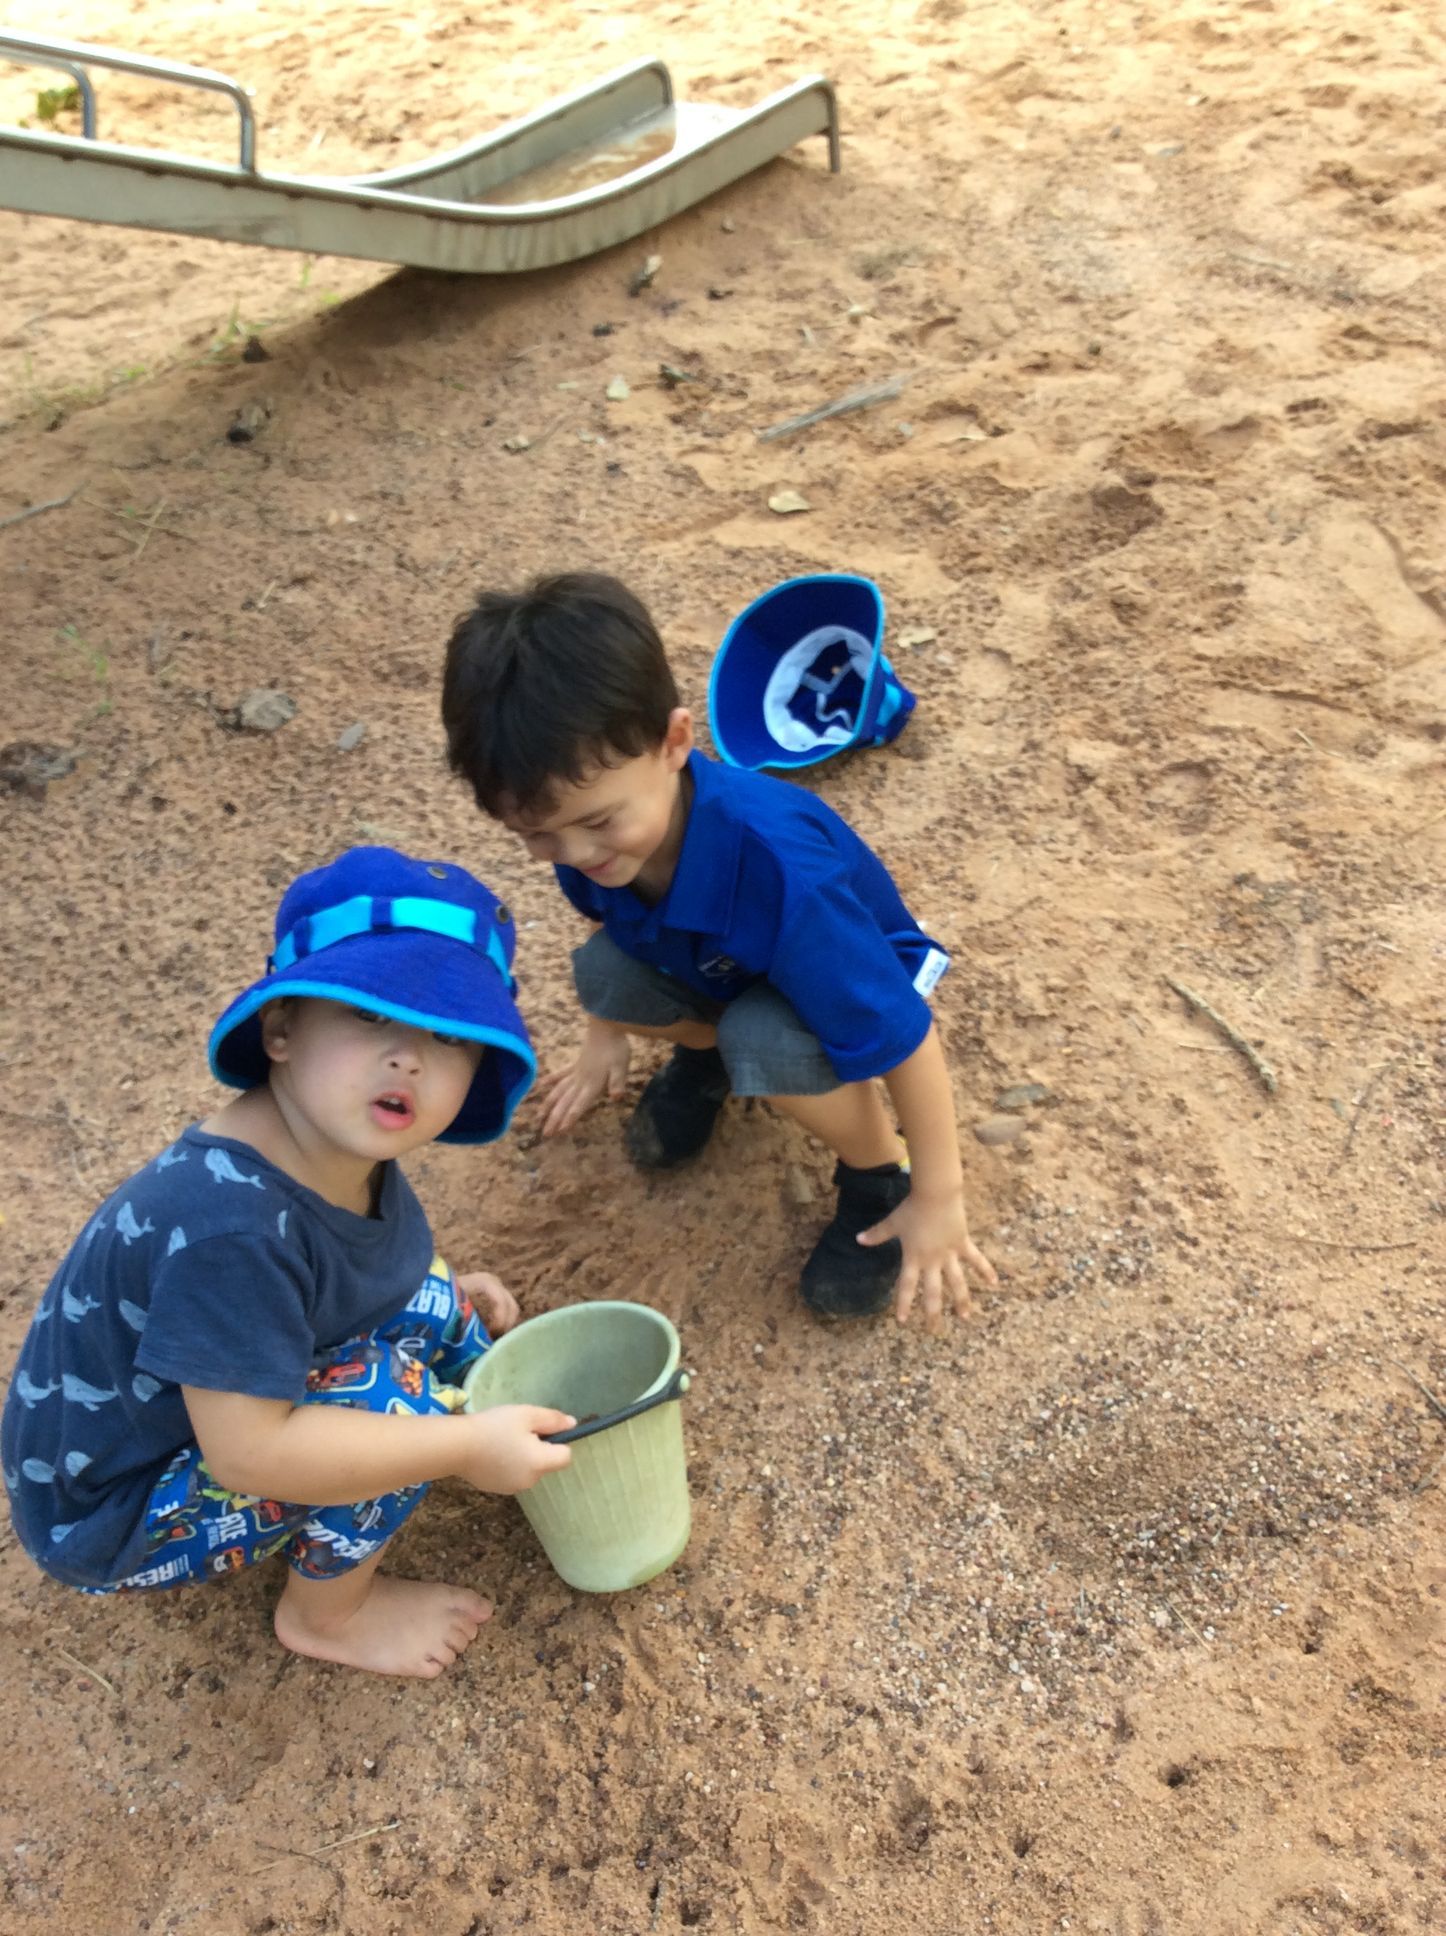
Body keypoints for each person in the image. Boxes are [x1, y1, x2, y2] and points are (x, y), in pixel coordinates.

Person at [1, 846, 576, 1678]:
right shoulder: (229, 1229)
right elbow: (249, 1456)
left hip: (210, 1399)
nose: (408, 1055)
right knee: (397, 1405)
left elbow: (352, 1266)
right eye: (371, 1015)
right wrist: (455, 1445)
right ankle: (328, 1616)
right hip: (109, 1510)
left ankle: (509, 1422)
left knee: (433, 1294)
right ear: (281, 1029)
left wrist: (445, 1308)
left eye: (448, 1034)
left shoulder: (331, 1141)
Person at [441, 573, 999, 1330]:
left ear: (674, 743)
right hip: (720, 963)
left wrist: (940, 1196)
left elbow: (905, 1036)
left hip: (829, 975)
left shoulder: (781, 871)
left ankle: (877, 1178)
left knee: (761, 1038)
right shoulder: (593, 848)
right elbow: (606, 927)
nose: (571, 853)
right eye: (537, 834)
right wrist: (604, 1035)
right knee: (605, 978)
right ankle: (707, 1059)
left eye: (598, 822)